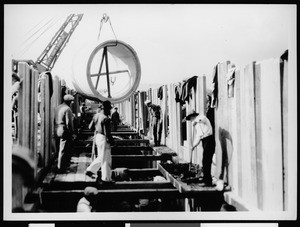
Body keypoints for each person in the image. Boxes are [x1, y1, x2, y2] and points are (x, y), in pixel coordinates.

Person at [185, 101, 215, 186]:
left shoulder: (201, 118)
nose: (191, 121)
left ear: (193, 116)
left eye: (190, 119)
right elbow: (198, 137)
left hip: (209, 140)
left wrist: (196, 121)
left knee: (206, 161)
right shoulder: (197, 126)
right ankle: (206, 180)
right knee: (205, 161)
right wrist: (193, 146)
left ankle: (208, 182)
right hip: (204, 141)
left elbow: (202, 119)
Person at [85, 100, 114, 183]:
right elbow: (107, 133)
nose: (109, 111)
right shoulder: (105, 118)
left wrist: (97, 128)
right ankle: (106, 178)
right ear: (107, 109)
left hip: (97, 137)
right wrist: (112, 142)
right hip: (103, 138)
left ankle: (90, 170)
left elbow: (90, 127)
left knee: (101, 156)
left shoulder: (96, 115)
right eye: (109, 109)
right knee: (106, 159)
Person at [53, 94, 76, 173]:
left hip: (56, 128)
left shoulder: (58, 107)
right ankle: (61, 168)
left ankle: (58, 165)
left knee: (58, 149)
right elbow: (69, 123)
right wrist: (72, 132)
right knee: (63, 150)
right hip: (63, 129)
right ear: (69, 102)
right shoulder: (68, 109)